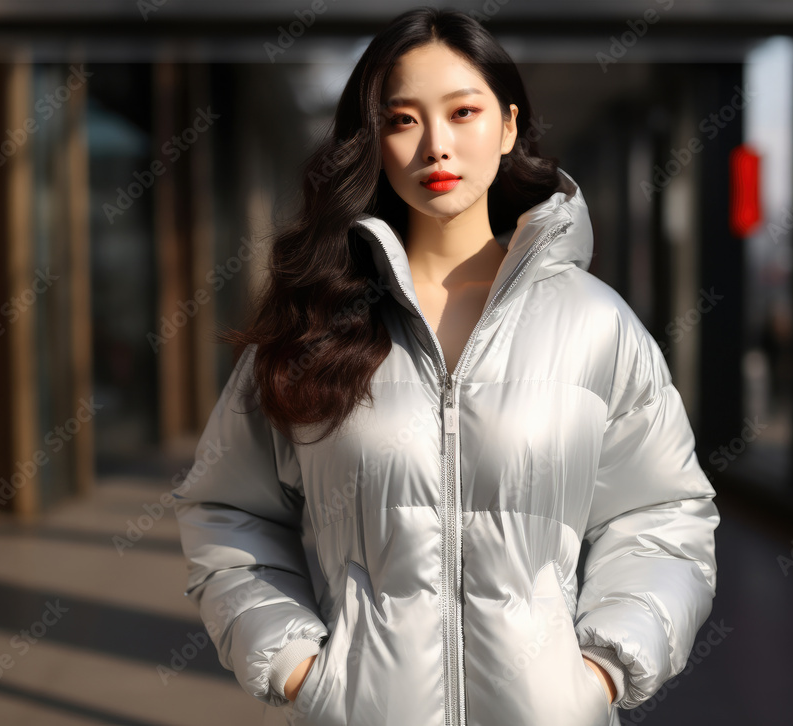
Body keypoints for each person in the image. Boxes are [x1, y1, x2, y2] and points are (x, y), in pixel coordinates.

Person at [173, 7, 719, 726]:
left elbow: (664, 515)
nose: (437, 145)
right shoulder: (317, 322)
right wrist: (302, 668)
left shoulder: (594, 324)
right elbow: (226, 509)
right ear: (372, 141)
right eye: (402, 120)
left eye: (464, 112)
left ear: (509, 126)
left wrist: (601, 671)